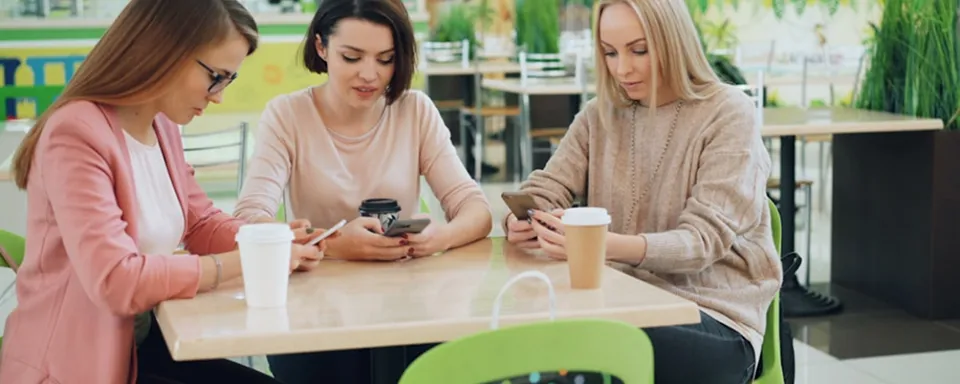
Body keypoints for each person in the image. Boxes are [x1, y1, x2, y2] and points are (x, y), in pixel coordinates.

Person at [0, 1, 335, 383]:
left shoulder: (162, 124)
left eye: (229, 80)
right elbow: (116, 280)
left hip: (138, 346)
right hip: (75, 365)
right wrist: (249, 260)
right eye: (216, 76)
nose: (218, 96)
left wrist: (271, 240)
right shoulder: (75, 133)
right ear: (165, 50)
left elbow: (200, 222)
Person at [504, 0, 782, 383]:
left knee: (578, 347)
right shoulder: (598, 116)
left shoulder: (729, 113)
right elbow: (547, 187)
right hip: (619, 302)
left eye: (639, 50)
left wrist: (598, 245)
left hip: (713, 320)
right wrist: (524, 218)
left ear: (673, 40)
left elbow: (701, 243)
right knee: (519, 337)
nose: (623, 69)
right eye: (609, 53)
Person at [232, 0, 492, 381]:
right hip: (313, 319)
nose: (369, 75)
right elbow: (249, 220)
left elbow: (476, 208)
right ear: (321, 47)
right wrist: (333, 246)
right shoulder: (287, 116)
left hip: (407, 311)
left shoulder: (414, 110)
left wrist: (442, 237)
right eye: (351, 57)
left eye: (385, 59)